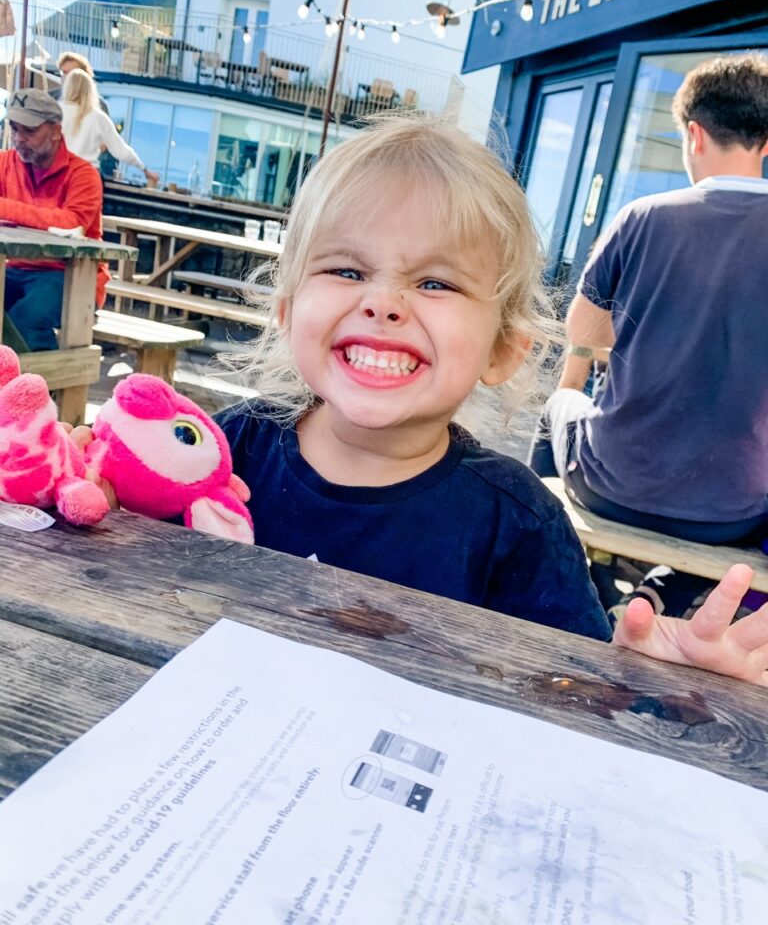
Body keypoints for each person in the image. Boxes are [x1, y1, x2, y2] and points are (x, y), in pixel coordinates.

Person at [76, 117, 768, 685]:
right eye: (346, 270)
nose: (383, 303)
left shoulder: (517, 524)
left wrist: (659, 682)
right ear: (287, 311)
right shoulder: (230, 447)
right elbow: (114, 555)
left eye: (435, 283)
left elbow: (579, 690)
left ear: (504, 349)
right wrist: (86, 497)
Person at [533, 54, 768, 559]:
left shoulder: (643, 216)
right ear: (765, 144)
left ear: (695, 135)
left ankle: (550, 561)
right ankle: (666, 593)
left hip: (610, 485)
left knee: (558, 404)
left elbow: (584, 331)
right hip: (733, 513)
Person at [0, 87, 106, 351]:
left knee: (27, 317)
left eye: (29, 130)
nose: (18, 138)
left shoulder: (84, 174)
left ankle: (43, 389)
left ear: (56, 130)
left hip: (70, 274)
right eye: (14, 128)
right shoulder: (4, 163)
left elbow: (71, 223)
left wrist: (5, 209)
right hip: (13, 268)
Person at [61, 69, 159, 187]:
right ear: (90, 89)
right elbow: (120, 149)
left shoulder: (57, 111)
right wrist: (144, 169)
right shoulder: (98, 116)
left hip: (61, 174)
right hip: (87, 177)